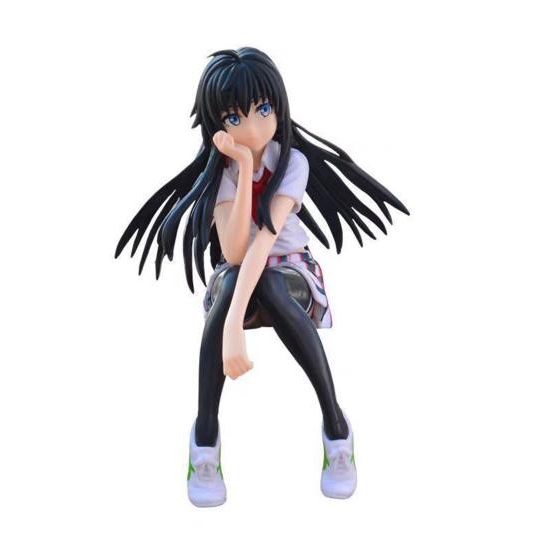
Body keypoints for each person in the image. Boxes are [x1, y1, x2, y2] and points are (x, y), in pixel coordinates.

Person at [115, 47, 409, 507]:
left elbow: (266, 239)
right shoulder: (222, 173)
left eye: (263, 110)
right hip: (236, 276)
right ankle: (205, 440)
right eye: (234, 118)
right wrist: (244, 166)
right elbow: (234, 252)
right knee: (234, 280)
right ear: (217, 125)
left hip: (289, 270)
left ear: (279, 106)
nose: (252, 129)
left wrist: (234, 323)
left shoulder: (293, 163)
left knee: (267, 283)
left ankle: (336, 429)